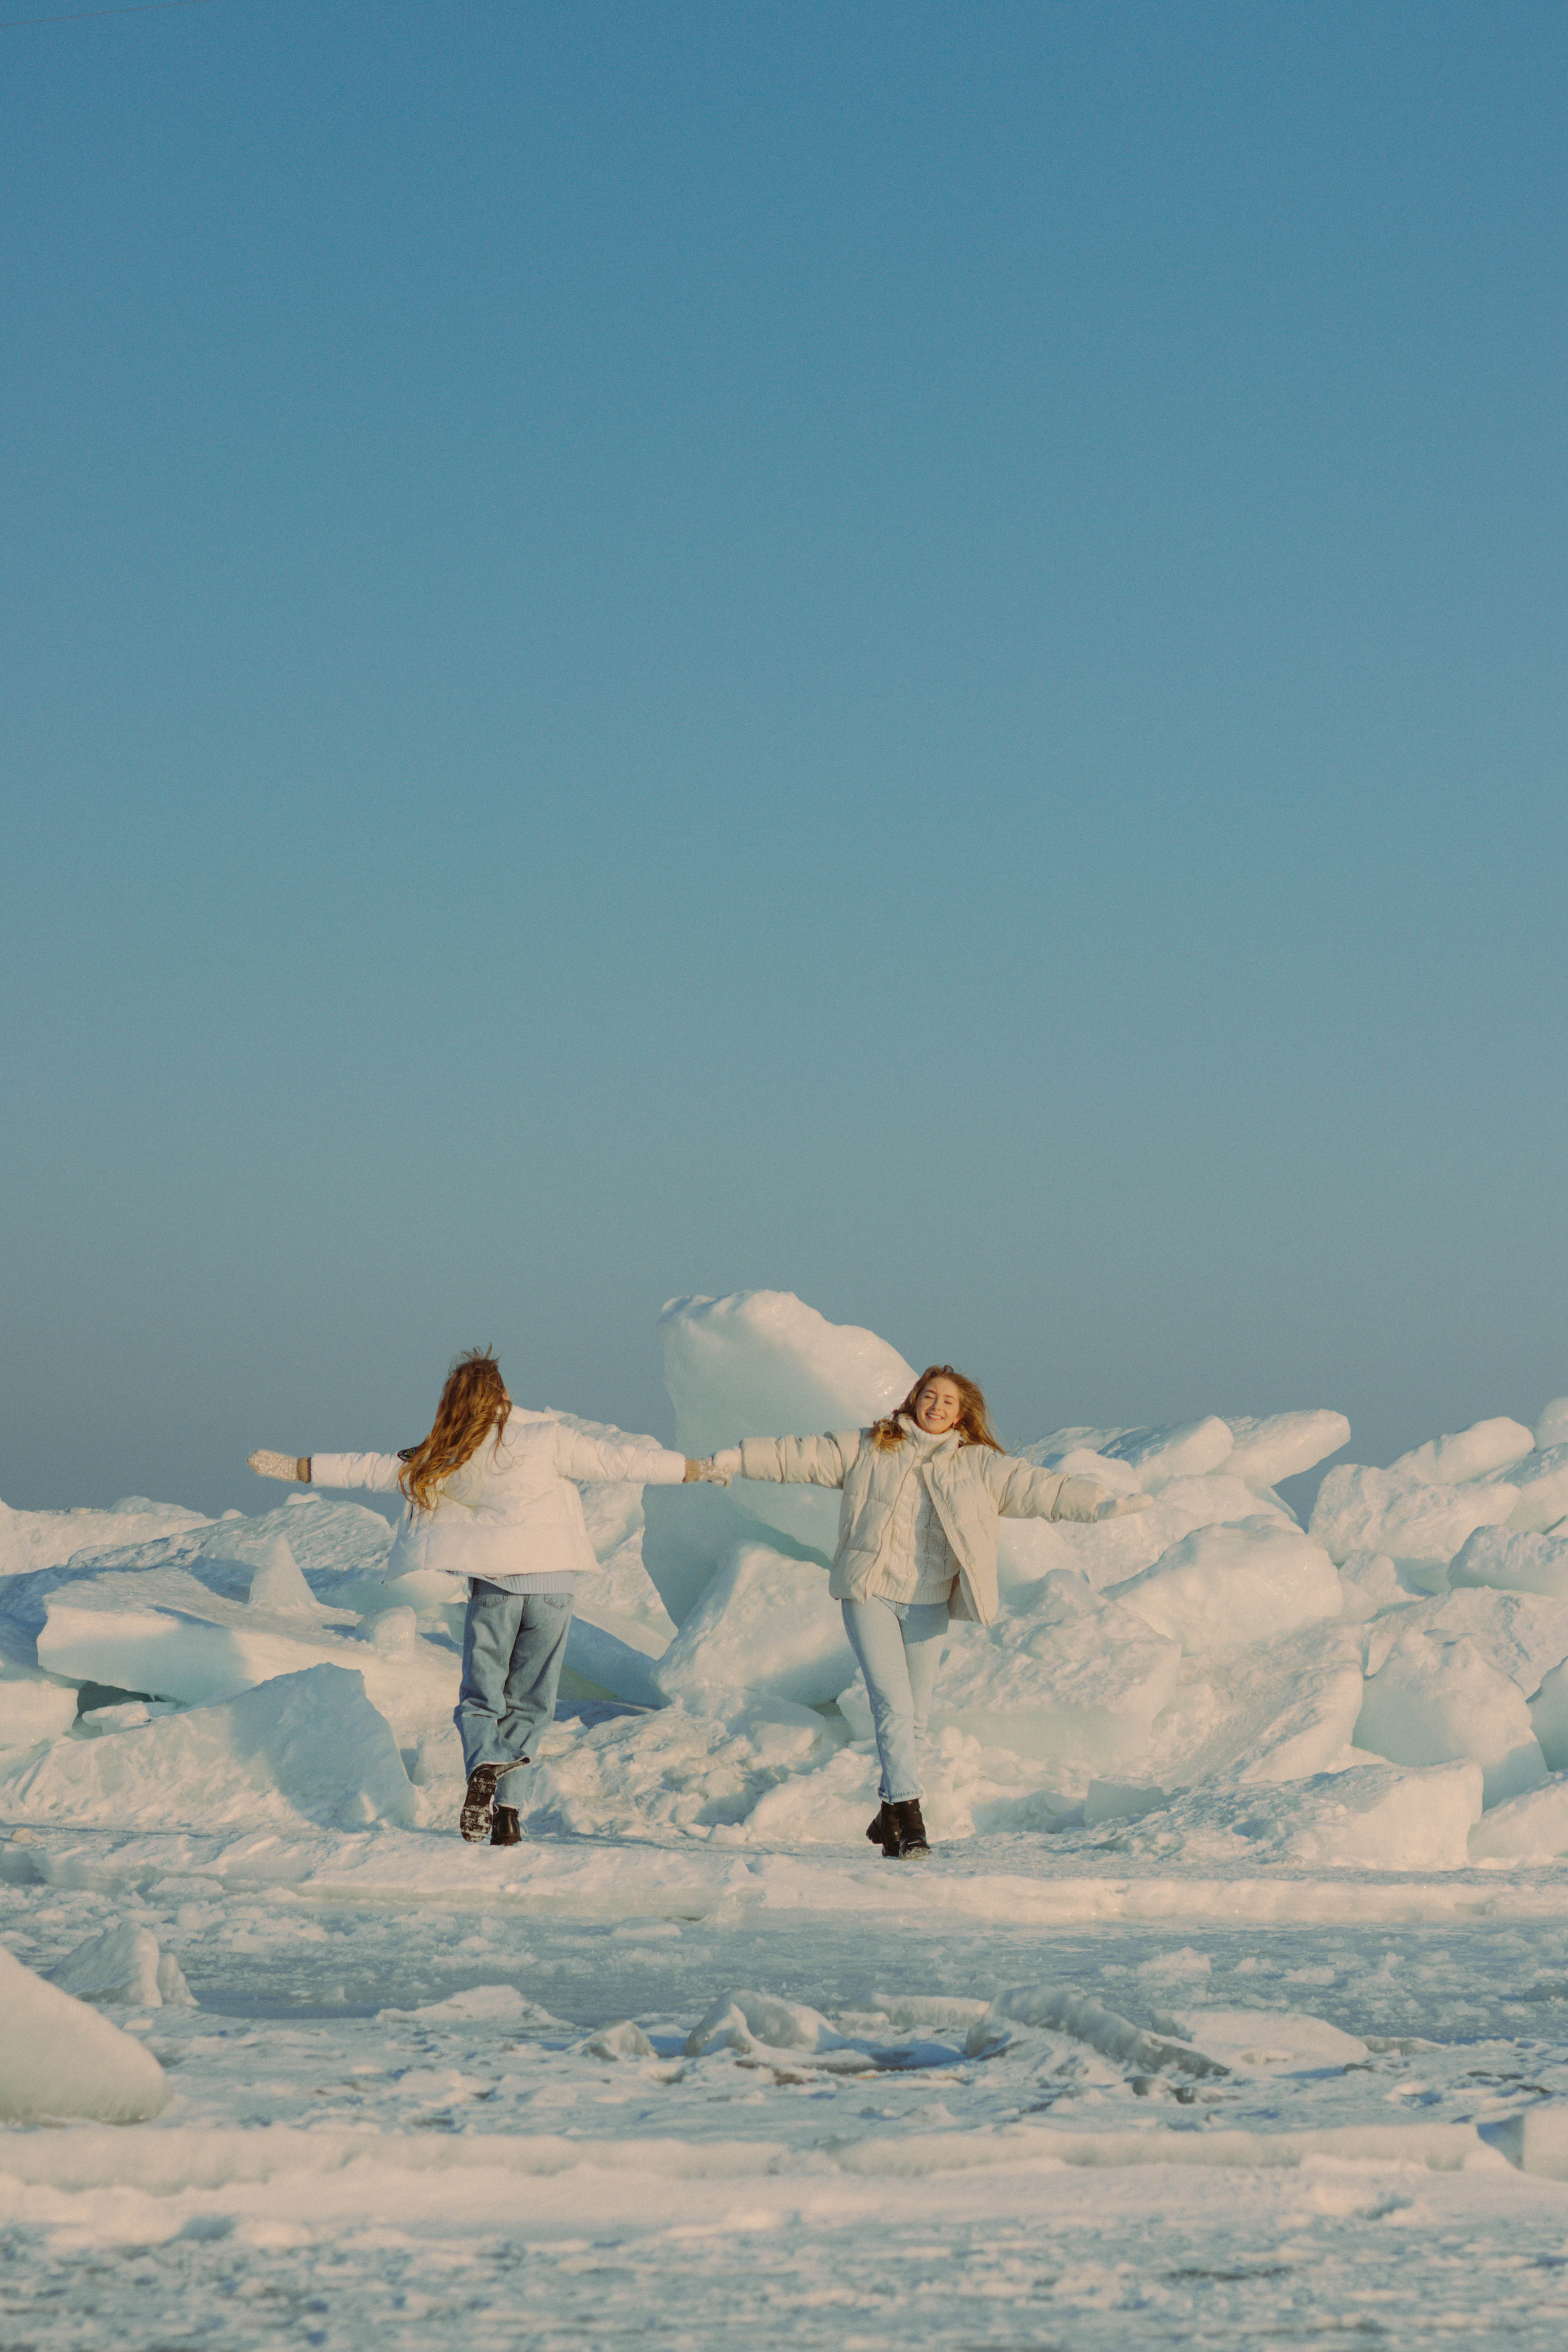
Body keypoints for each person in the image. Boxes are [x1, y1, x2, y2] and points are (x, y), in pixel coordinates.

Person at [248, 1348, 703, 1845]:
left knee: (481, 1699)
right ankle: (508, 1815)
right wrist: (691, 1469)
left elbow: (374, 1469)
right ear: (503, 1394)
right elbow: (622, 1461)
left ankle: (484, 1762)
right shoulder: (549, 1437)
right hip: (552, 1591)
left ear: (456, 1401)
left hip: (494, 1590)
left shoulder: (452, 1451)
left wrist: (298, 1467)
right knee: (530, 1705)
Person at [698, 1365, 1152, 1859]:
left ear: (962, 1415)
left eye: (948, 1402)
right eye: (928, 1396)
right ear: (913, 1400)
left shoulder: (978, 1466)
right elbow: (801, 1455)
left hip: (928, 1600)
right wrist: (736, 1458)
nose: (935, 1406)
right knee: (893, 1706)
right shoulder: (873, 1446)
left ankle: (887, 1813)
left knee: (914, 1719)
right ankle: (911, 1820)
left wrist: (1102, 1504)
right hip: (870, 1592)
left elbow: (1040, 1488)